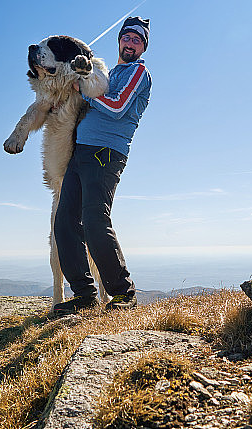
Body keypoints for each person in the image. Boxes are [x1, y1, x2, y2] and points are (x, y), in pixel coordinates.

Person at [51, 16, 152, 316]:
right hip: (81, 152)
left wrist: (86, 93)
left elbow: (118, 107)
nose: (131, 43)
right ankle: (84, 295)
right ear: (120, 40)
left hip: (106, 153)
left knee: (95, 221)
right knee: (64, 222)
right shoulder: (109, 73)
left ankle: (123, 293)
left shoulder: (138, 72)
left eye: (138, 40)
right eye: (128, 38)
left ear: (143, 47)